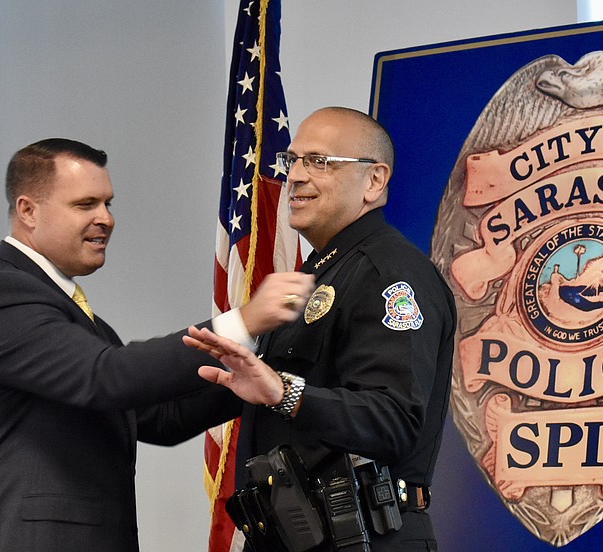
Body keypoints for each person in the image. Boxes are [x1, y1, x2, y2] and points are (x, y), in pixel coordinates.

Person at [0, 138, 314, 552]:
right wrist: (244, 320)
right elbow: (106, 376)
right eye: (85, 204)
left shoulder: (67, 312)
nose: (105, 219)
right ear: (27, 210)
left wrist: (268, 371)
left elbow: (162, 419)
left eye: (107, 204)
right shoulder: (0, 295)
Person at [185, 107, 457, 551]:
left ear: (374, 180)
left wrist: (285, 392)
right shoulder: (314, 278)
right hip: (293, 536)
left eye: (319, 162)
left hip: (365, 536)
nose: (295, 176)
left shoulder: (389, 274)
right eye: (293, 161)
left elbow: (393, 420)